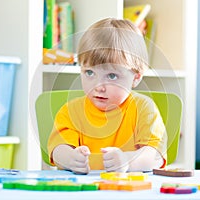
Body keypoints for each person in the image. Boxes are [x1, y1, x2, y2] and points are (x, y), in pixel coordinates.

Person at [47, 18, 167, 174]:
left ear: (136, 77)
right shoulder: (70, 111)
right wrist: (70, 159)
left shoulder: (144, 108)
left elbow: (155, 156)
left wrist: (127, 161)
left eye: (111, 76)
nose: (98, 87)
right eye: (89, 72)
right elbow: (57, 150)